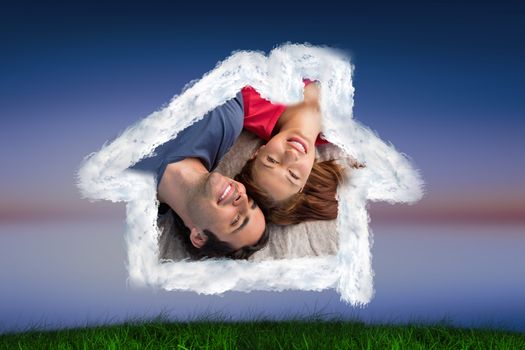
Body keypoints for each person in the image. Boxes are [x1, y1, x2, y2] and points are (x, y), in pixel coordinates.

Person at [131, 92, 269, 259]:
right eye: (250, 202)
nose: (242, 199)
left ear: (199, 237)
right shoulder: (225, 119)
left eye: (236, 220)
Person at [235, 81, 355, 225]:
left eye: (272, 160)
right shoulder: (353, 131)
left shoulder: (249, 103)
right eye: (293, 175)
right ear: (303, 184)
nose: (291, 154)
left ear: (258, 152)